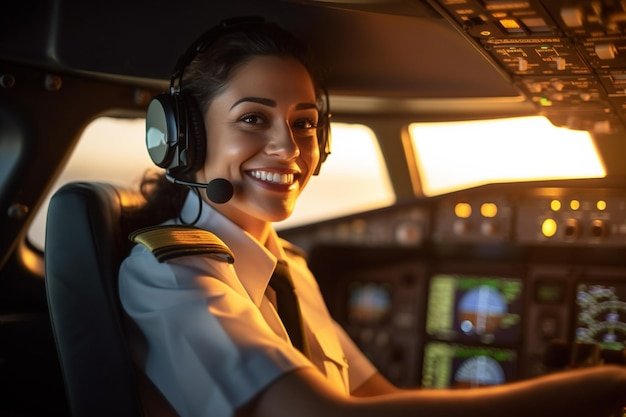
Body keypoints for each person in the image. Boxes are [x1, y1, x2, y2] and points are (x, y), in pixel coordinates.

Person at [119, 18, 626, 417]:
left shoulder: (287, 268)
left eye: (304, 123)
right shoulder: (172, 279)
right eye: (253, 118)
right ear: (185, 139)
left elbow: (372, 397)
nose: (289, 148)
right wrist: (592, 391)